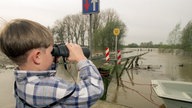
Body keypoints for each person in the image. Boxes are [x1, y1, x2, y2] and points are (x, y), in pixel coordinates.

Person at [0, 19, 104, 108]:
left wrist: (53, 60)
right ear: (37, 56)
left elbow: (42, 72)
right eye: (51, 51)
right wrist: (82, 59)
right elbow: (95, 90)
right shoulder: (51, 87)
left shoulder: (20, 81)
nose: (53, 53)